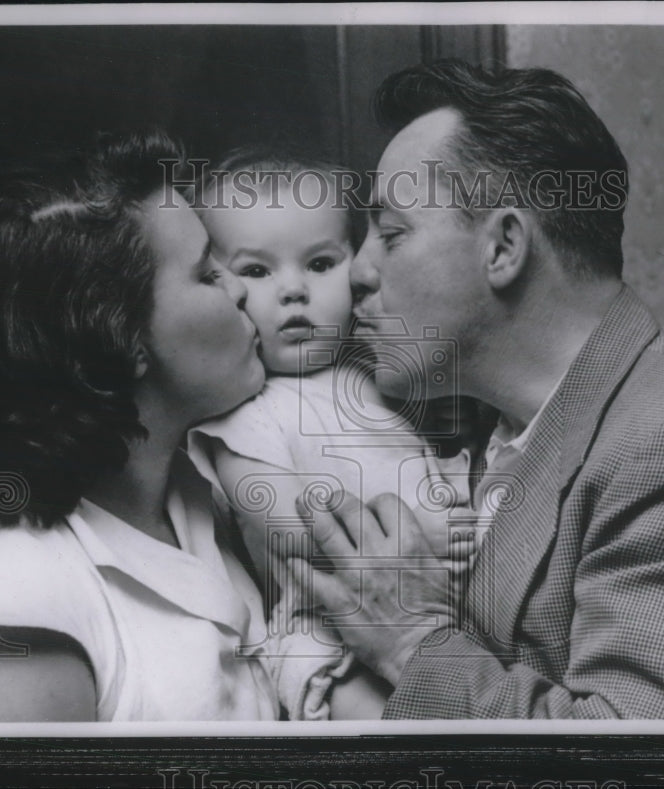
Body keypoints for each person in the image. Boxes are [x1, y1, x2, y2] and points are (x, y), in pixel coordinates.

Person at [288, 61, 664, 719]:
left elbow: (638, 760)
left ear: (504, 246)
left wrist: (412, 641)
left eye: (391, 235)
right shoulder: (484, 427)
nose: (358, 274)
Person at [0, 131, 280, 722]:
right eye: (206, 274)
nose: (239, 288)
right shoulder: (1, 596)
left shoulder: (205, 494)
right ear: (122, 340)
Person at [187, 151, 477, 719]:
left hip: (433, 608)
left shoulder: (380, 376)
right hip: (326, 630)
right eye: (256, 271)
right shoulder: (245, 412)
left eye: (320, 264)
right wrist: (424, 536)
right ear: (217, 284)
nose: (293, 290)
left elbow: (424, 465)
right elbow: (285, 521)